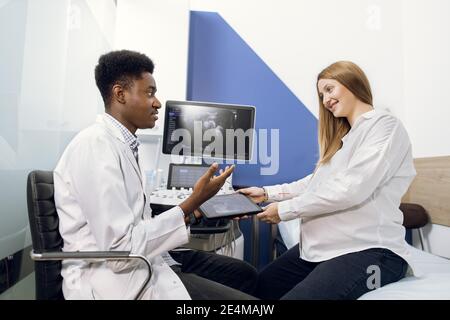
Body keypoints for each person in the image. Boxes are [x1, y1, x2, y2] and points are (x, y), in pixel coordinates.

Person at [53, 50, 257, 300]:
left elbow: (138, 224)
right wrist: (192, 203)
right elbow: (121, 252)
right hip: (114, 280)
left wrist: (196, 207)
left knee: (245, 275)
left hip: (148, 260)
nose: (158, 102)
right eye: (149, 93)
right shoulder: (95, 147)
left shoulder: (121, 145)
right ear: (120, 94)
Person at [239, 61, 417, 300]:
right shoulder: (344, 142)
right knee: (258, 288)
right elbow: (314, 183)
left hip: (371, 251)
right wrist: (266, 193)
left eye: (330, 89)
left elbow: (352, 188)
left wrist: (285, 210)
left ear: (352, 81)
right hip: (323, 251)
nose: (325, 100)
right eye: (321, 95)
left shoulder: (384, 125)